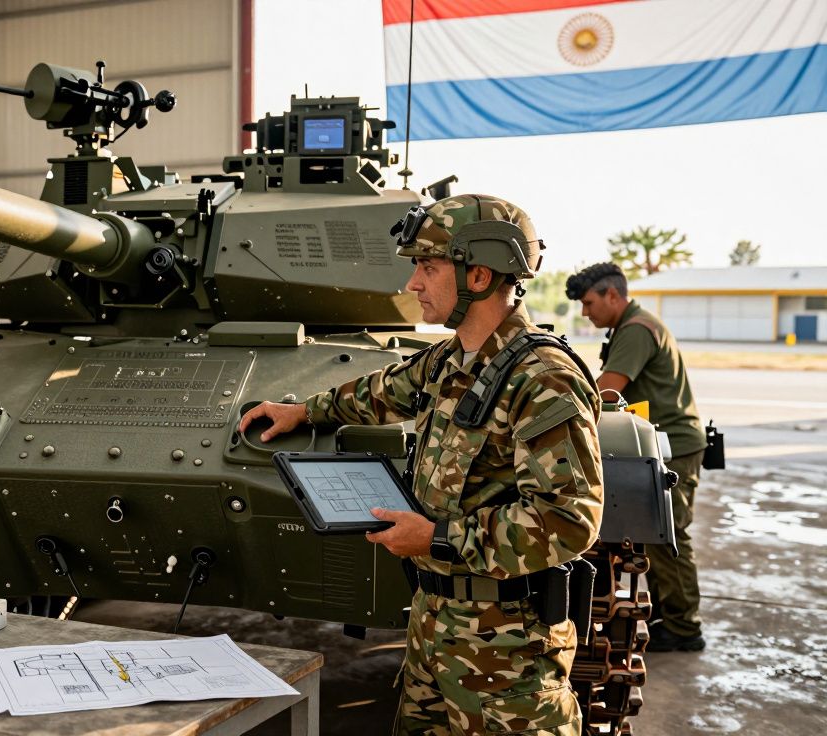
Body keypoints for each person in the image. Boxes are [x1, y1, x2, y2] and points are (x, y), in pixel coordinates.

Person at [240, 195, 603, 735]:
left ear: (477, 275)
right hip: (434, 629)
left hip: (507, 653)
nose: (413, 285)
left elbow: (571, 521)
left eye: (427, 268)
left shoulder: (543, 379)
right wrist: (302, 411)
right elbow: (381, 391)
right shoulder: (452, 358)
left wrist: (436, 538)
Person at [566, 262, 706, 652]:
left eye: (589, 302)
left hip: (672, 447)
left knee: (669, 538)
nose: (585, 312)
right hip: (665, 444)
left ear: (613, 295)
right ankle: (668, 617)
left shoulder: (635, 330)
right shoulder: (635, 324)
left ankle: (683, 627)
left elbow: (606, 391)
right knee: (659, 537)